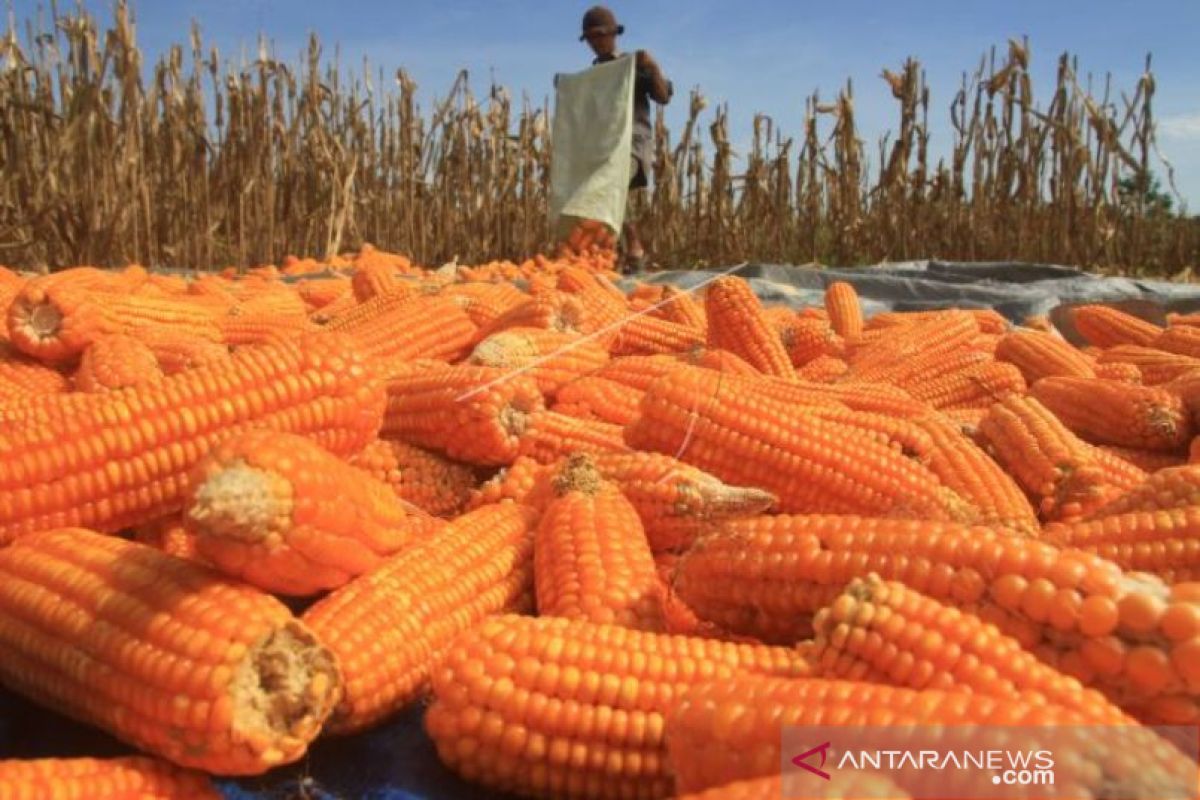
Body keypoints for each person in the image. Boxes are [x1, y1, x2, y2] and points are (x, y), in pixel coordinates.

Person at [579, 6, 672, 273]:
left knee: (613, 182)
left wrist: (652, 66)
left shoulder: (633, 68)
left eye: (599, 35)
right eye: (590, 38)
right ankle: (614, 260)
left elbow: (663, 96)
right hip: (605, 149)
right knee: (601, 197)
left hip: (632, 144)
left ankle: (634, 247)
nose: (595, 43)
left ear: (612, 34)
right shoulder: (593, 76)